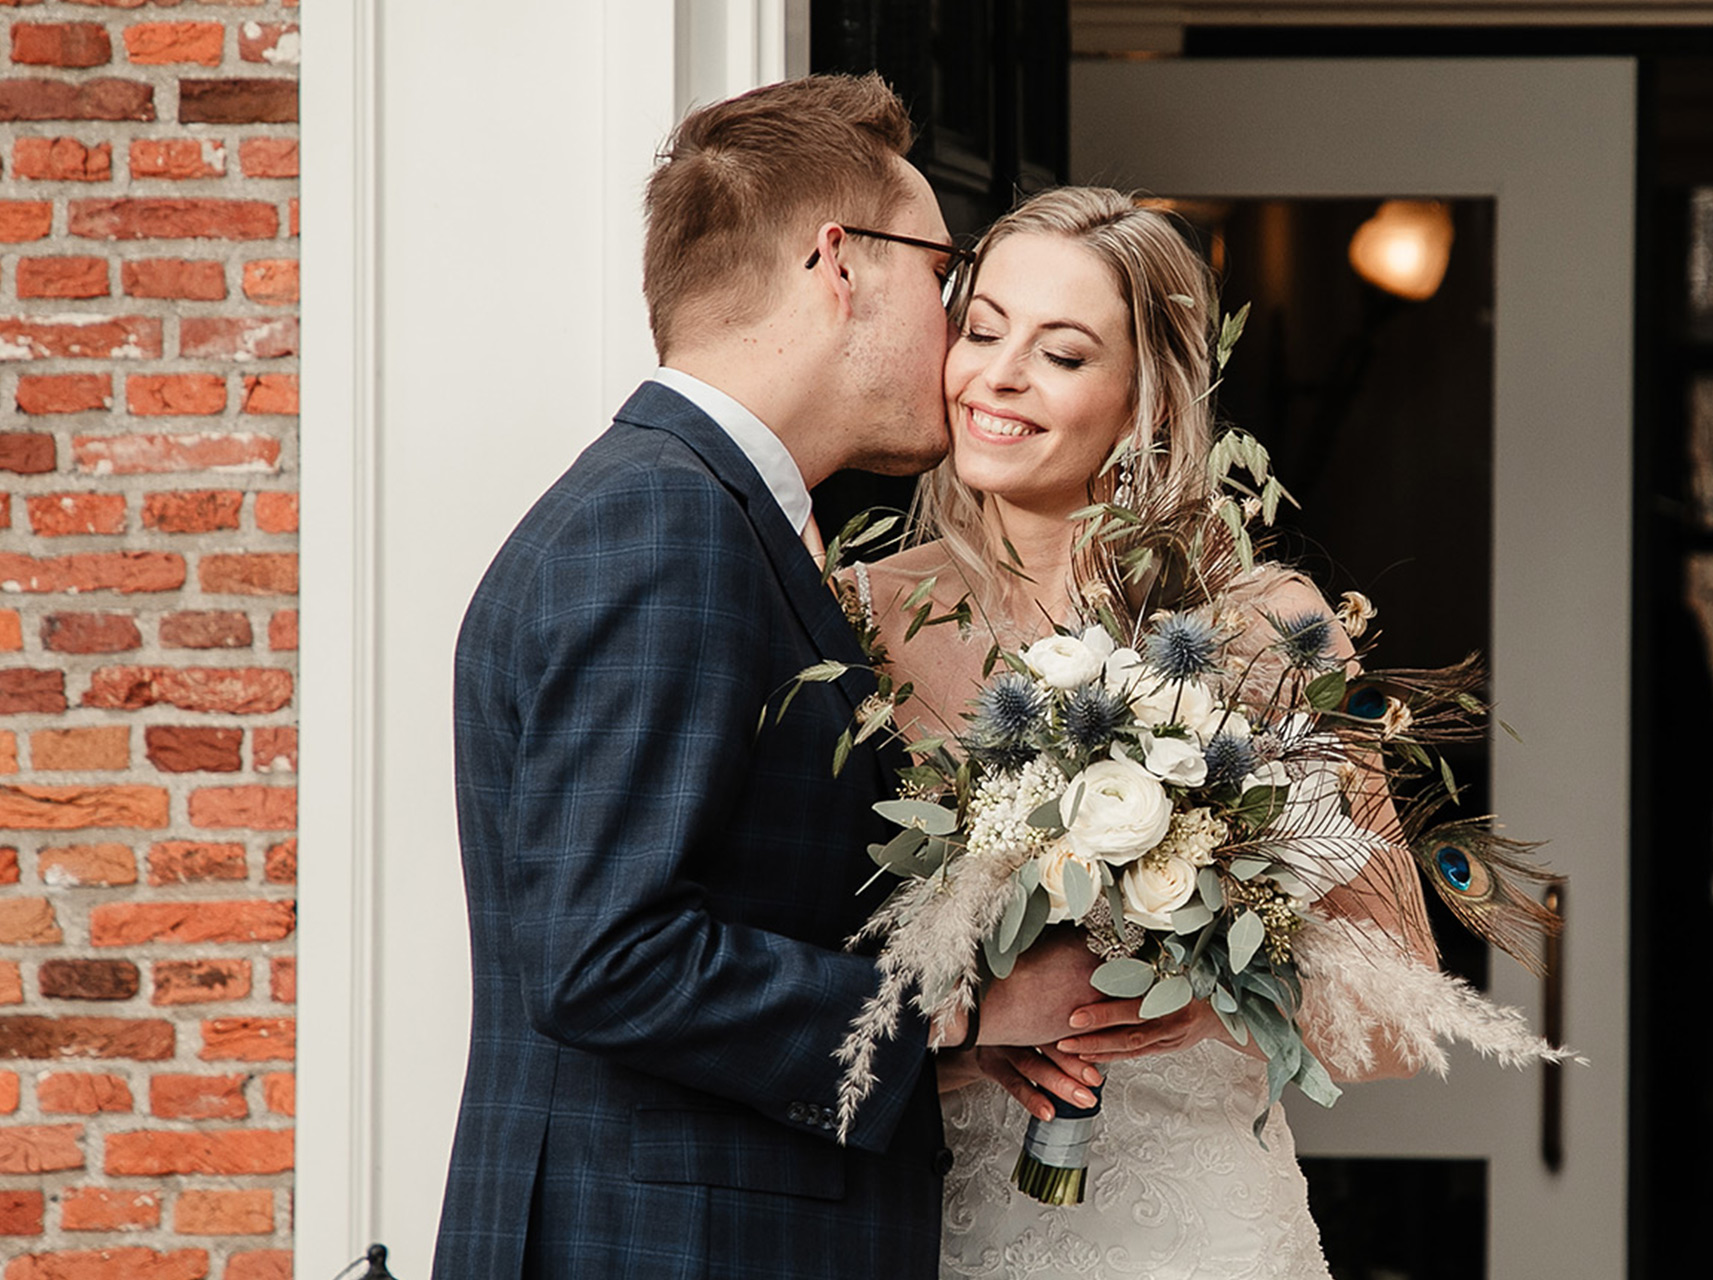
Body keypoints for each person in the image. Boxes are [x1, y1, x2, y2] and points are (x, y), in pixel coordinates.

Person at [434, 76, 1117, 1280]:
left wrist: (936, 1055)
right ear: (839, 263)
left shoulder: (694, 510)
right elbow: (608, 956)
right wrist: (955, 1006)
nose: (957, 327)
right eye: (943, 276)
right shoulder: (666, 524)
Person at [854, 187, 1441, 1279]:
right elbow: (780, 982)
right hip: (939, 1226)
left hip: (1202, 1236)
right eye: (982, 330)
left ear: (1145, 402)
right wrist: (975, 1039)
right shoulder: (851, 620)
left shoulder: (1269, 627)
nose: (1000, 375)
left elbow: (1405, 1007)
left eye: (1063, 353)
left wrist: (1209, 1003)